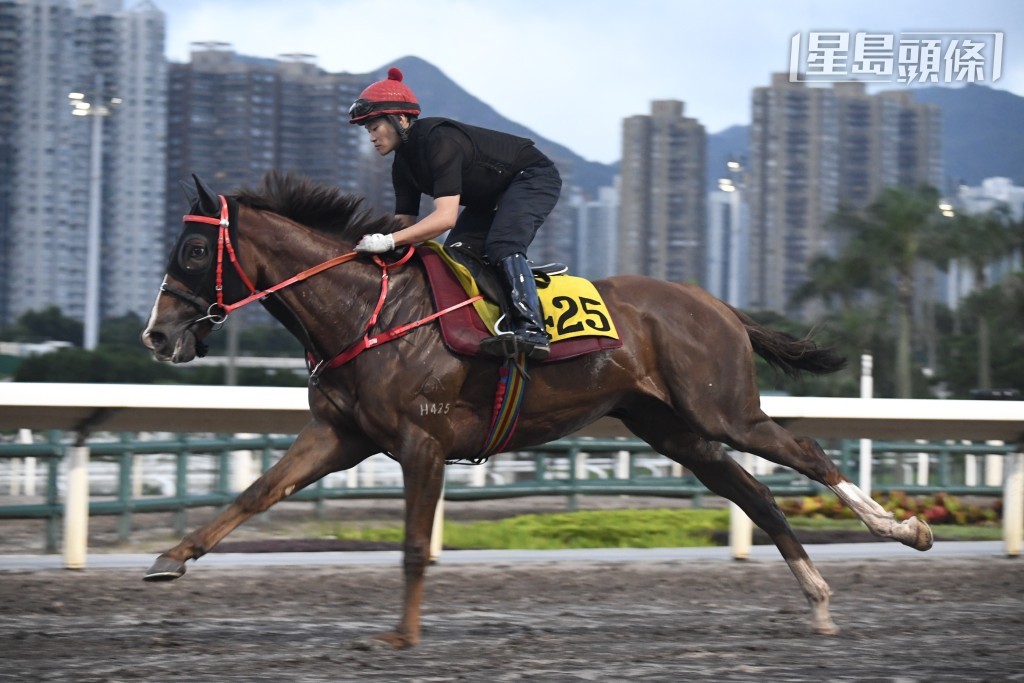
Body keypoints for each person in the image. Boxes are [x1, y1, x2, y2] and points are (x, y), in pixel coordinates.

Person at [348, 67, 562, 360]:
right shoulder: (402, 166)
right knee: (457, 255)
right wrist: (371, 247)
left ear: (399, 119)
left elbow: (444, 219)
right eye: (367, 130)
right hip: (489, 197)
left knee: (502, 245)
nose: (371, 136)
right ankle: (494, 322)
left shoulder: (438, 140)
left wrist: (388, 241)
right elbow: (404, 228)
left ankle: (532, 329)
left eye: (374, 127)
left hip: (532, 177)